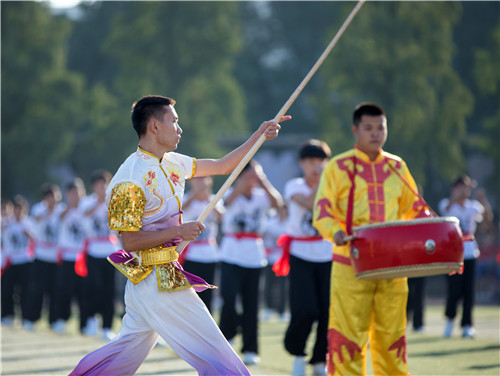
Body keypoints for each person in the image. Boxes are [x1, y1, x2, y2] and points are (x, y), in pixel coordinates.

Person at [69, 95, 290, 376]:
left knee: (119, 360)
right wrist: (179, 231)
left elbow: (223, 166)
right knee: (221, 359)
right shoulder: (128, 178)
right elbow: (129, 242)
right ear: (154, 127)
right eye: (174, 120)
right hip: (154, 281)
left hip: (155, 280)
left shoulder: (172, 162)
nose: (179, 127)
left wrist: (259, 136)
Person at [313, 102, 431, 376]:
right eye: (368, 128)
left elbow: (415, 208)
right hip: (349, 263)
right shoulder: (337, 167)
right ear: (355, 130)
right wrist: (336, 232)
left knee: (392, 336)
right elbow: (322, 211)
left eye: (380, 127)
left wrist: (431, 226)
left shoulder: (397, 166)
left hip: (393, 265)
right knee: (348, 336)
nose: (376, 134)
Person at [273, 139, 332, 376]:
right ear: (302, 163)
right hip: (300, 254)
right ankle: (297, 353)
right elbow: (309, 203)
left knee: (328, 311)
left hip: (327, 254)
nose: (316, 166)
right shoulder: (294, 186)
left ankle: (320, 360)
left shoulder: (333, 187)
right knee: (305, 308)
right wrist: (324, 180)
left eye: (321, 161)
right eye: (311, 161)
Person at [218, 159, 284, 366]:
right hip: (230, 253)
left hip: (254, 256)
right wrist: (242, 181)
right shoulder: (230, 193)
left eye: (254, 176)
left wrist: (262, 180)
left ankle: (250, 348)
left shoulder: (261, 197)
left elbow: (278, 203)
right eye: (248, 175)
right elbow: (225, 204)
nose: (251, 180)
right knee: (228, 297)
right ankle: (227, 335)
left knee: (251, 304)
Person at [438, 175, 493, 338]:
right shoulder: (447, 204)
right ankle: (450, 319)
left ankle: (467, 325)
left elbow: (487, 221)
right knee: (454, 289)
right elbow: (446, 208)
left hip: (470, 253)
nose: (465, 190)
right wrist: (460, 192)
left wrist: (483, 200)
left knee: (469, 291)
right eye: (461, 187)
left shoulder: (473, 206)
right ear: (454, 189)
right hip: (452, 254)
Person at [80, 169, 121, 341]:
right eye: (98, 184)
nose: (102, 187)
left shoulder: (115, 201)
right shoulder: (87, 202)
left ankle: (107, 326)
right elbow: (85, 214)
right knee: (93, 288)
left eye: (105, 183)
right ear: (93, 186)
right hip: (93, 250)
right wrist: (100, 202)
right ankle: (91, 320)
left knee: (109, 290)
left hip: (110, 250)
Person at [180, 176, 223, 313]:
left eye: (204, 178)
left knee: (208, 294)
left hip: (210, 253)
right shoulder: (185, 198)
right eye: (197, 179)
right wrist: (195, 196)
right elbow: (178, 212)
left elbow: (223, 217)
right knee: (189, 294)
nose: (200, 182)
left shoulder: (214, 200)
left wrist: (209, 200)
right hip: (190, 254)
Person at [51, 178, 89, 334]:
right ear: (67, 194)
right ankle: (61, 320)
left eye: (78, 191)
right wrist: (70, 206)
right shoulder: (61, 209)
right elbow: (58, 220)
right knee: (65, 290)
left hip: (83, 257)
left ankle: (85, 324)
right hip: (67, 256)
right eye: (72, 191)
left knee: (84, 291)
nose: (75, 194)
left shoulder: (88, 208)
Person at [29, 183, 65, 330]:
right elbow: (35, 219)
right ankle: (32, 319)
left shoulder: (62, 209)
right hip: (41, 254)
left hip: (56, 256)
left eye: (56, 196)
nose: (54, 199)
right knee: (37, 289)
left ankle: (54, 321)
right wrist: (48, 212)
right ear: (46, 198)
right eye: (51, 196)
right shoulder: (38, 208)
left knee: (55, 290)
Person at [1, 195, 36, 329]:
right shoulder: (7, 222)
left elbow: (35, 237)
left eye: (21, 209)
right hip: (10, 261)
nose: (18, 212)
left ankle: (26, 318)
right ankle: (7, 315)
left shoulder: (28, 222)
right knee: (7, 290)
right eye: (16, 209)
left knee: (25, 291)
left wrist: (27, 232)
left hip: (25, 261)